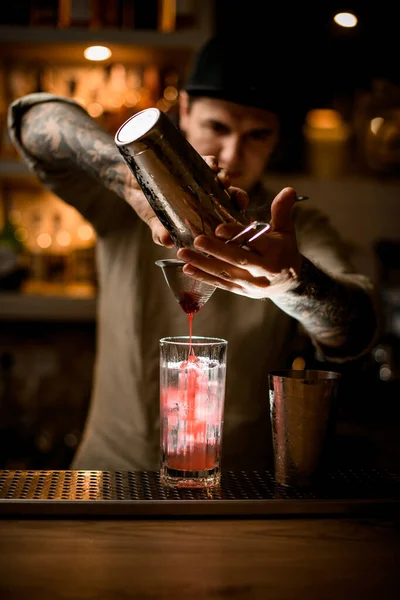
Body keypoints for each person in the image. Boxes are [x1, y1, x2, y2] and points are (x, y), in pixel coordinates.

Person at [7, 36, 378, 471]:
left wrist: (293, 283)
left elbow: (355, 332)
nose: (233, 154)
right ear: (183, 111)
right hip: (108, 473)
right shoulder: (121, 201)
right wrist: (130, 179)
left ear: (278, 138)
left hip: (237, 488)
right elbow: (34, 119)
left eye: (257, 135)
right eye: (217, 127)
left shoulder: (292, 228)